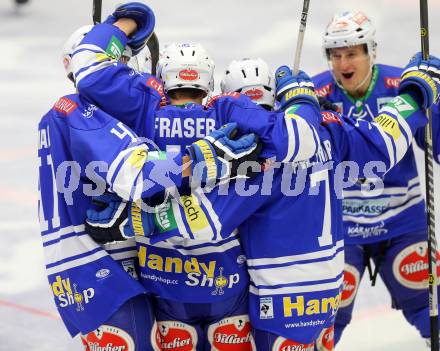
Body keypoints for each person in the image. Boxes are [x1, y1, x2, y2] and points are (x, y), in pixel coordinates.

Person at [80, 6, 440, 350]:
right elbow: (383, 140)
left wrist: (129, 221)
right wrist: (415, 94)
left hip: (280, 304)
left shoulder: (256, 161)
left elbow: (204, 219)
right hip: (326, 292)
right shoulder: (333, 128)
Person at [38, 23, 261, 350]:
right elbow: (141, 176)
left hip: (98, 266)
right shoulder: (83, 115)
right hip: (100, 265)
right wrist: (207, 156)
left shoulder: (71, 113)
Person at [312, 11, 440, 346]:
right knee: (323, 319)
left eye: (352, 53)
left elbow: (437, 148)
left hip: (402, 222)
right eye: (336, 55)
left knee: (433, 310)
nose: (343, 63)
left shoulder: (405, 86)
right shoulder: (316, 94)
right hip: (344, 228)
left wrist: (436, 104)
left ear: (372, 51)